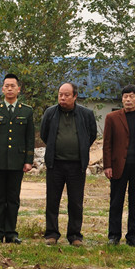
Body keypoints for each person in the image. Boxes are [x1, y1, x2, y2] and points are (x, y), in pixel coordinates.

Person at [40, 82, 97, 246]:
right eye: (60, 95)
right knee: (52, 200)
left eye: (66, 95)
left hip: (76, 165)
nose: (62, 98)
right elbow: (44, 134)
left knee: (76, 202)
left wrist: (80, 147)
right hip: (55, 164)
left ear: (75, 96)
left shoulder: (86, 114)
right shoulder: (50, 113)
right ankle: (51, 234)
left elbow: (91, 135)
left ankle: (75, 235)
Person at [0, 74, 35, 245]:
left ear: (19, 89)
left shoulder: (26, 111)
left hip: (17, 161)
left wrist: (28, 160)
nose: (10, 89)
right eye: (7, 86)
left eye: (13, 86)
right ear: (2, 89)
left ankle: (11, 233)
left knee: (13, 199)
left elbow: (29, 138)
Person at [102, 84, 135, 248]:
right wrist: (107, 165)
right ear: (122, 99)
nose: (128, 100)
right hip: (118, 166)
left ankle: (133, 236)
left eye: (131, 96)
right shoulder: (112, 117)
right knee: (116, 202)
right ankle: (114, 236)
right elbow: (107, 144)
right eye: (125, 96)